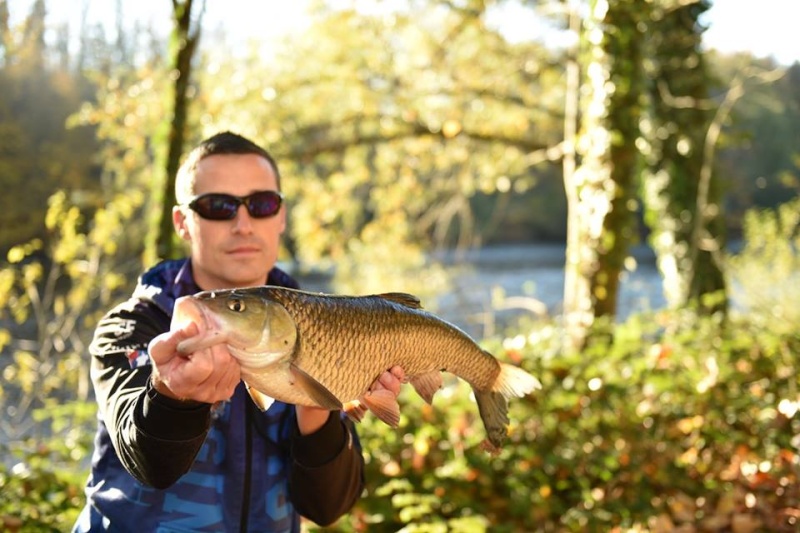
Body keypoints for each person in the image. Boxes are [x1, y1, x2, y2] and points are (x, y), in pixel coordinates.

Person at [74, 131, 405, 532]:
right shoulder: (133, 326)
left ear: (281, 216)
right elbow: (149, 463)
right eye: (218, 207)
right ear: (183, 222)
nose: (243, 224)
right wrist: (173, 396)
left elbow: (327, 507)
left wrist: (318, 409)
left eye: (262, 204)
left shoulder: (323, 329)